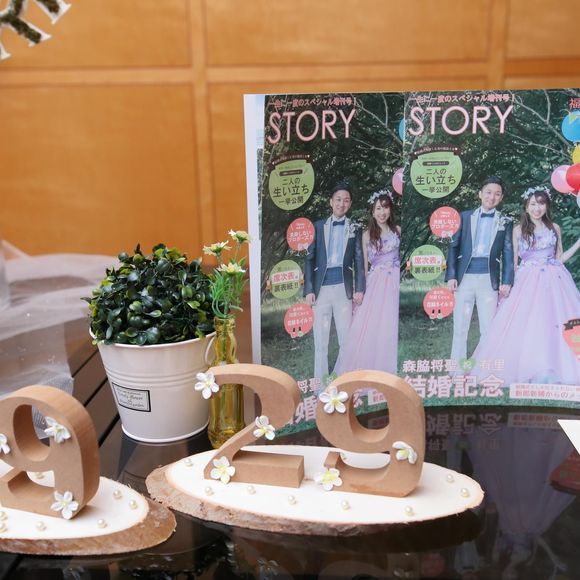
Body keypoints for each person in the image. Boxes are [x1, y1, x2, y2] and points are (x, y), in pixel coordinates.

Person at [471, 185, 580, 385]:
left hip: (555, 279)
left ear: (547, 206)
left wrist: (578, 243)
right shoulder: (518, 230)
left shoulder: (554, 228)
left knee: (555, 322)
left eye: (541, 204)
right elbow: (513, 262)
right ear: (526, 207)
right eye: (533, 204)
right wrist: (507, 284)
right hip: (527, 280)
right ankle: (527, 366)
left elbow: (560, 257)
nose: (537, 208)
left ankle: (556, 367)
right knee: (526, 323)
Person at [445, 176, 515, 365]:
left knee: (488, 327)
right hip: (464, 278)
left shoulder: (505, 221)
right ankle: (456, 368)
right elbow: (454, 246)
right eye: (488, 192)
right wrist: (451, 275)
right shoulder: (464, 216)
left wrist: (507, 281)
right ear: (480, 194)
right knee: (460, 326)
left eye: (497, 194)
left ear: (501, 198)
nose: (492, 197)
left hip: (489, 279)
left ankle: (484, 368)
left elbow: (508, 251)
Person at [304, 182, 365, 381]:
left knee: (345, 338)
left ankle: (346, 380)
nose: (341, 204)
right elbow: (309, 258)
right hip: (320, 290)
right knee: (320, 340)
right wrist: (308, 289)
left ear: (350, 203)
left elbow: (359, 259)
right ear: (331, 202)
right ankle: (319, 384)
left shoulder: (354, 227)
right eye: (338, 199)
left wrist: (360, 288)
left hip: (343, 289)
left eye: (346, 200)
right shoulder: (317, 226)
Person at [334, 190, 400, 375]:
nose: (382, 212)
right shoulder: (366, 235)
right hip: (377, 281)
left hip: (394, 278)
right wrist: (360, 290)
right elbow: (362, 266)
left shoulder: (398, 230)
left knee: (391, 321)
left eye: (385, 208)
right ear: (372, 211)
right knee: (373, 323)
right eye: (378, 208)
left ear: (390, 210)